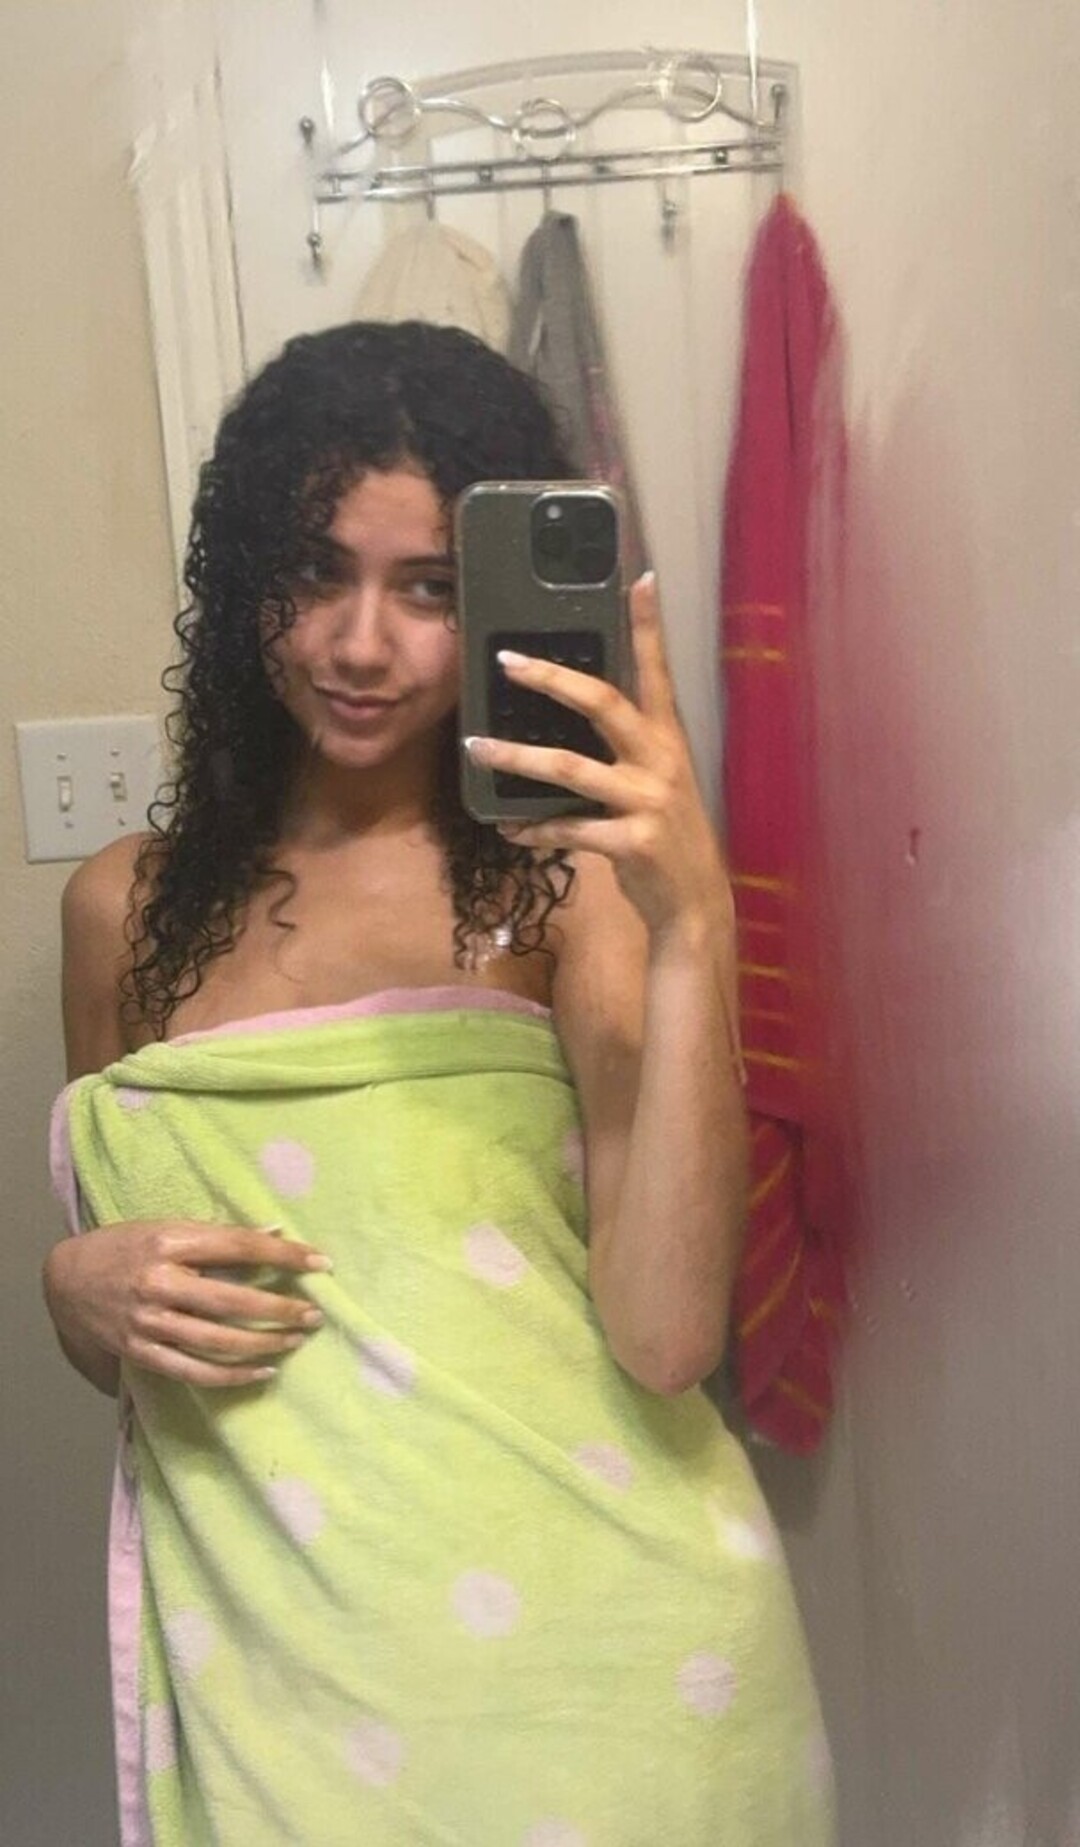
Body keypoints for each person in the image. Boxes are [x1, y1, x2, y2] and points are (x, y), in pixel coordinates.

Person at [44, 321, 834, 1845]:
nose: (359, 645)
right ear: (244, 577)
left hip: (609, 1675)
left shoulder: (571, 893)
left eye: (425, 588)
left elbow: (669, 1335)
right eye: (316, 571)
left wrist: (695, 924)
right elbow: (152, 1320)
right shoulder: (121, 912)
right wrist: (74, 1290)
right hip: (291, 1689)